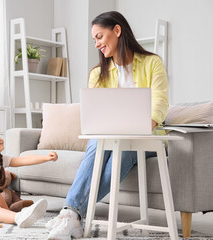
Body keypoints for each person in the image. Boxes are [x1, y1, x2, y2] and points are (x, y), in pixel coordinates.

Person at [46, 11, 168, 239]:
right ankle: (71, 216)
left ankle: (70, 213)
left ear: (117, 30)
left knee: (119, 148)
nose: (97, 44)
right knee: (98, 142)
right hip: (109, 138)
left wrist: (139, 127)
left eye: (99, 37)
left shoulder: (152, 63)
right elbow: (95, 116)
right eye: (94, 40)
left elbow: (159, 104)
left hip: (146, 138)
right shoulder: (97, 74)